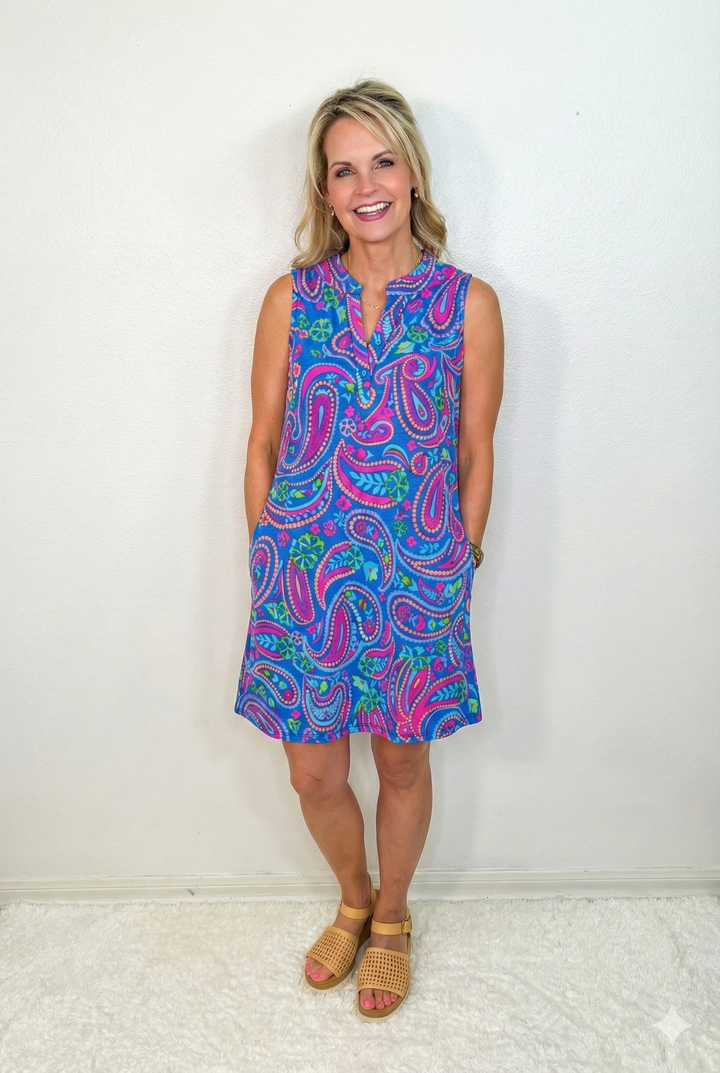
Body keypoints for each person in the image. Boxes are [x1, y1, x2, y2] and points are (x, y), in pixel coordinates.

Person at [235, 80, 504, 1019]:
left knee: (398, 761)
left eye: (381, 160)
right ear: (324, 190)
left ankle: (392, 916)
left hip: (415, 579)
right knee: (313, 768)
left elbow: (476, 448)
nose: (366, 184)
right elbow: (264, 442)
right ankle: (351, 896)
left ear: (413, 171)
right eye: (343, 169)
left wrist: (455, 560)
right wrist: (271, 555)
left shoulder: (467, 304)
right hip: (303, 575)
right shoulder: (290, 299)